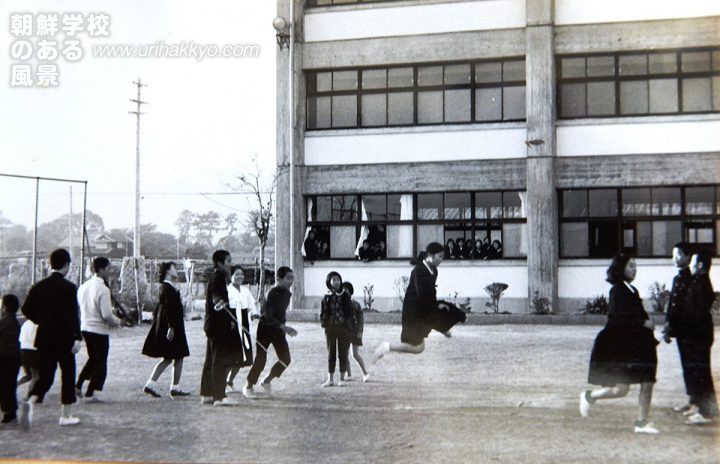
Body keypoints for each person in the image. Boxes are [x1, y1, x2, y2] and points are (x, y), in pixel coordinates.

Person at [579, 254, 660, 434]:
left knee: (647, 381)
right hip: (622, 346)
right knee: (622, 389)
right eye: (631, 265)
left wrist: (646, 322)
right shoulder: (617, 290)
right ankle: (589, 396)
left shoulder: (631, 289)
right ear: (621, 268)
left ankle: (641, 423)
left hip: (637, 344)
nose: (634, 268)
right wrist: (644, 322)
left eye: (635, 265)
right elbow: (622, 317)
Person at [21, 249, 83, 429]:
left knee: (46, 376)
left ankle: (31, 402)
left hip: (44, 337)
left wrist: (41, 320)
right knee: (68, 374)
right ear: (66, 265)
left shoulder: (39, 286)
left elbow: (26, 310)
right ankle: (66, 415)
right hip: (64, 339)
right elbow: (72, 315)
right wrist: (77, 338)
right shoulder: (69, 288)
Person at [374, 242, 466, 360]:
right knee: (417, 346)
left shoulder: (433, 270)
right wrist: (438, 312)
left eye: (443, 257)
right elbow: (422, 295)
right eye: (440, 256)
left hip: (422, 308)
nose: (441, 260)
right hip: (413, 311)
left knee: (419, 347)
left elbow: (429, 294)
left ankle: (387, 347)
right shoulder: (419, 270)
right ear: (430, 255)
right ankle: (386, 347)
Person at [242, 266, 297, 399]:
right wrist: (284, 327)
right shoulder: (271, 293)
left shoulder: (287, 293)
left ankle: (267, 380)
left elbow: (281, 314)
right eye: (288, 279)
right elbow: (267, 316)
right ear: (278, 279)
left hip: (278, 331)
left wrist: (283, 329)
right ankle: (248, 385)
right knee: (261, 359)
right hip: (265, 329)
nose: (291, 282)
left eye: (292, 279)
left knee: (285, 359)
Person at [677, 252, 717, 425]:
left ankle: (707, 412)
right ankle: (704, 407)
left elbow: (697, 313)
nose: (691, 265)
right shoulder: (699, 282)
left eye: (693, 262)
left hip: (698, 336)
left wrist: (688, 331)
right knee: (700, 373)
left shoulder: (701, 284)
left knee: (702, 374)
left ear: (700, 265)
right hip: (698, 335)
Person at [200, 250, 243, 406]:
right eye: (228, 261)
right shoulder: (218, 278)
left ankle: (207, 394)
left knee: (211, 359)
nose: (230, 264)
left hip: (212, 325)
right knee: (219, 361)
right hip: (218, 326)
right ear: (219, 263)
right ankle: (219, 397)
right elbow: (217, 298)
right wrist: (222, 306)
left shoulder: (217, 277)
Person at [76, 257, 122, 402]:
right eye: (108, 268)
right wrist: (117, 322)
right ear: (101, 269)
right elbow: (107, 314)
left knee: (93, 359)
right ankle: (90, 392)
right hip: (98, 329)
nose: (110, 271)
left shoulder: (83, 286)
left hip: (85, 327)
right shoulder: (103, 289)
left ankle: (79, 385)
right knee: (100, 361)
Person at [142, 262, 191, 399]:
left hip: (173, 326)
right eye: (174, 268)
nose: (177, 270)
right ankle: (161, 385)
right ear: (168, 271)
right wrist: (171, 327)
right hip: (172, 326)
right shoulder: (167, 287)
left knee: (174, 357)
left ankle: (166, 386)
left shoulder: (168, 287)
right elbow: (168, 309)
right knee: (175, 356)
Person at [662, 242, 700, 417]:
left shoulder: (692, 279)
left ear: (687, 257)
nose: (674, 259)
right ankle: (692, 399)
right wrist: (668, 324)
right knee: (687, 366)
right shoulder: (677, 279)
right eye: (673, 255)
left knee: (694, 366)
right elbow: (672, 305)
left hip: (690, 331)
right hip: (680, 331)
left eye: (678, 255)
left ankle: (698, 402)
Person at [226, 266, 257, 393]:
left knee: (241, 357)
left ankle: (230, 380)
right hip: (231, 326)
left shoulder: (245, 291)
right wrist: (229, 322)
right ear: (231, 276)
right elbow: (224, 310)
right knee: (231, 356)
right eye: (237, 274)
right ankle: (221, 382)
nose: (240, 277)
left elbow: (252, 305)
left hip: (243, 325)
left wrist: (254, 313)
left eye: (242, 274)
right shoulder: (227, 290)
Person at [319, 272, 354, 387]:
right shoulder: (326, 296)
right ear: (329, 282)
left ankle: (342, 379)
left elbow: (350, 312)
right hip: (330, 328)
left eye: (338, 279)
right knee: (331, 352)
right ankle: (330, 379)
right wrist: (323, 322)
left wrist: (350, 326)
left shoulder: (345, 295)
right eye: (334, 280)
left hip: (343, 328)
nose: (336, 282)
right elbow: (322, 311)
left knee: (342, 353)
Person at [0, 294, 21, 425]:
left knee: (4, 386)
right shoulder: (15, 322)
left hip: (3, 357)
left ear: (5, 307)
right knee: (10, 385)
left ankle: (8, 413)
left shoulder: (3, 323)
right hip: (15, 357)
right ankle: (11, 412)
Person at [342, 282, 369, 383]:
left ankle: (365, 373)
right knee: (344, 354)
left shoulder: (356, 305)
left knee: (355, 354)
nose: (345, 291)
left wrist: (360, 331)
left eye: (347, 290)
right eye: (343, 290)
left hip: (354, 332)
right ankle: (348, 374)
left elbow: (360, 320)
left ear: (350, 291)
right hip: (344, 332)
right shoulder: (340, 304)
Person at [17, 318, 39, 400]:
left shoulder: (26, 323)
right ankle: (27, 396)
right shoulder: (38, 323)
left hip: (22, 350)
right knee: (35, 376)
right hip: (32, 352)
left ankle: (16, 385)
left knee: (28, 376)